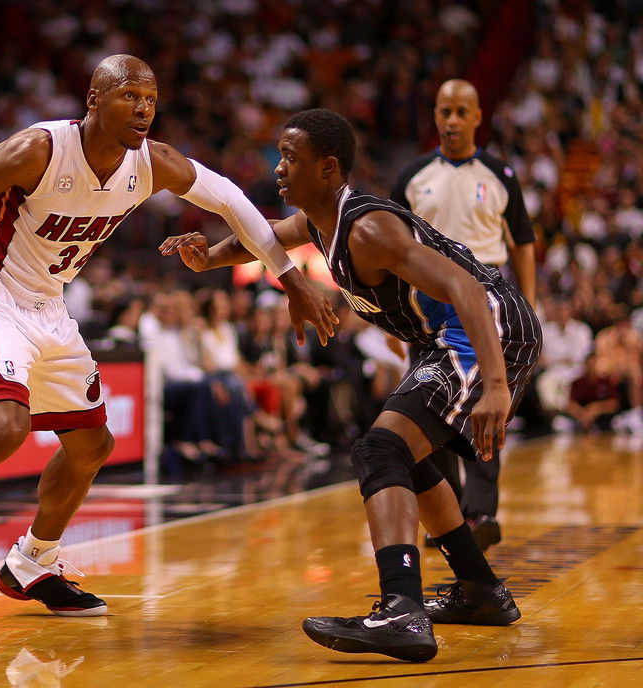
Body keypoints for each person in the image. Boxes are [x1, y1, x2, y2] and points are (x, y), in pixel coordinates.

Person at [0, 55, 337, 639]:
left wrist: (291, 278)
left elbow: (233, 203)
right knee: (4, 428)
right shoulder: (39, 150)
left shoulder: (151, 164)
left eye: (151, 97)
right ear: (93, 100)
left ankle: (31, 563)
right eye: (129, 95)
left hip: (49, 305)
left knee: (91, 446)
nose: (144, 108)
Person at [160, 109, 541, 662]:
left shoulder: (368, 228)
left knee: (380, 448)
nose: (280, 167)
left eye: (291, 157)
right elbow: (264, 239)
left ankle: (402, 611)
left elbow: (467, 287)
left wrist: (498, 387)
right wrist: (209, 259)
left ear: (329, 166)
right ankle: (480, 590)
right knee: (402, 455)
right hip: (448, 336)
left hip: (489, 328)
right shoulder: (321, 222)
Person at [389, 79, 537, 550]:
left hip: (487, 302)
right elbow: (390, 248)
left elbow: (524, 245)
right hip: (427, 305)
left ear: (477, 117)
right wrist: (396, 321)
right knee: (430, 408)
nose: (451, 120)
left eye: (461, 112)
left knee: (485, 406)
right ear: (435, 115)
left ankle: (481, 513)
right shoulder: (411, 176)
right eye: (444, 111)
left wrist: (526, 304)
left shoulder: (500, 174)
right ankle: (450, 514)